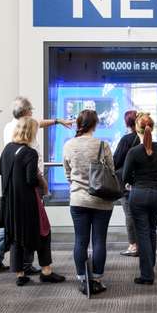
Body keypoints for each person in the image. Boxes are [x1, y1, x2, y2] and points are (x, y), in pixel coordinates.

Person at [0, 96, 72, 273]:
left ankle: (19, 265)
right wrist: (41, 183)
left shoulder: (16, 126)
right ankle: (19, 263)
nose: (33, 114)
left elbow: (37, 123)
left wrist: (57, 121)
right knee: (27, 227)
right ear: (25, 114)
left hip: (17, 186)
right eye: (31, 110)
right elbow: (28, 173)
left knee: (16, 225)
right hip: (26, 187)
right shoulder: (24, 140)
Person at [0, 117, 65, 286]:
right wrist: (40, 178)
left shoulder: (7, 149)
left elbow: (0, 169)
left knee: (15, 236)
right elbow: (30, 180)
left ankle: (20, 275)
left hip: (11, 202)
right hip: (28, 202)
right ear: (31, 132)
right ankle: (46, 271)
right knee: (44, 233)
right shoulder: (30, 153)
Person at [63, 109, 115, 296]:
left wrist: (77, 184)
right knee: (99, 240)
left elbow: (67, 172)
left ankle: (82, 279)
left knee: (80, 240)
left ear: (78, 124)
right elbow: (111, 169)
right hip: (101, 200)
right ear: (95, 124)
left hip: (78, 200)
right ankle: (97, 280)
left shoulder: (69, 145)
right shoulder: (103, 145)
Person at [122, 112, 157, 285]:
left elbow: (125, 176)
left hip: (139, 195)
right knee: (152, 231)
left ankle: (147, 274)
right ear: (152, 128)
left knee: (142, 234)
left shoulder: (133, 152)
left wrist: (133, 182)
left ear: (136, 128)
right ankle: (150, 265)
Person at [113, 110, 140, 257]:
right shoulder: (146, 138)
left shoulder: (126, 140)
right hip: (141, 182)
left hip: (126, 182)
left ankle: (133, 246)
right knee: (140, 214)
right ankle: (143, 244)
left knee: (129, 213)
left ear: (127, 122)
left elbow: (116, 161)